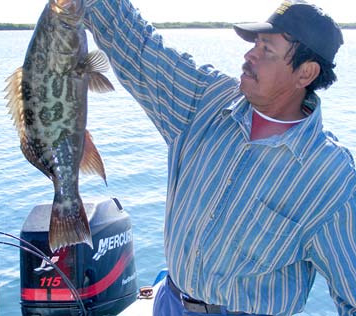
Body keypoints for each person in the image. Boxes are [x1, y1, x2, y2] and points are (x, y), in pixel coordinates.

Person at [84, 0, 356, 315]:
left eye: (267, 50)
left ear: (305, 73)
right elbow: (140, 48)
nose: (250, 55)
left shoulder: (330, 177)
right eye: (255, 44)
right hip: (170, 303)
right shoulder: (205, 99)